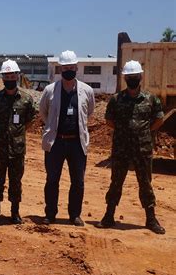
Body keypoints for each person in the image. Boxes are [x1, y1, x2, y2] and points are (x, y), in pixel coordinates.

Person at [96, 60, 165, 234]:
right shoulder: (116, 99)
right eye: (129, 77)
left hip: (143, 149)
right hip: (121, 149)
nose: (132, 79)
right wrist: (125, 131)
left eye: (135, 76)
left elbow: (159, 119)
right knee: (116, 182)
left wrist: (144, 132)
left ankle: (151, 219)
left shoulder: (150, 99)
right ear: (125, 78)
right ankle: (109, 216)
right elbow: (109, 120)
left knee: (145, 183)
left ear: (140, 77)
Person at [39, 50, 95, 226]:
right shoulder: (50, 90)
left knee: (77, 181)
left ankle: (75, 215)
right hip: (56, 142)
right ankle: (50, 214)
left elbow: (90, 112)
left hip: (77, 143)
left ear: (76, 68)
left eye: (71, 67)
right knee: (52, 179)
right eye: (65, 67)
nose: (68, 70)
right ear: (60, 69)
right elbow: (43, 112)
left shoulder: (87, 90)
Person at [0, 60, 36, 227]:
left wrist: (16, 134)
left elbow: (28, 121)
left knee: (16, 181)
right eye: (6, 76)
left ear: (17, 76)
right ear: (2, 77)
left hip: (17, 149)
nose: (9, 78)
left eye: (12, 75)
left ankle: (15, 212)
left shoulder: (26, 99)